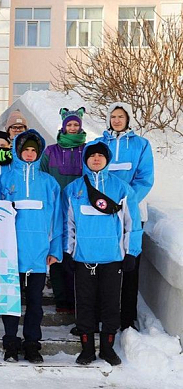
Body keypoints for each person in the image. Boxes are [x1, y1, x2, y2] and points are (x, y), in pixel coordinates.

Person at [63, 140, 142, 366]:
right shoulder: (74, 189)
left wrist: (131, 253)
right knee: (85, 305)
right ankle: (87, 349)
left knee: (110, 305)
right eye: (91, 156)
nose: (96, 159)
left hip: (112, 260)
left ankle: (107, 348)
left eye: (100, 156)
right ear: (85, 160)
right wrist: (68, 252)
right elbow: (68, 224)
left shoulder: (122, 189)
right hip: (84, 259)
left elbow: (132, 223)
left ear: (107, 160)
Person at [0, 129, 62, 364]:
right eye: (26, 150)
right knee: (11, 303)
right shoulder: (5, 178)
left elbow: (57, 218)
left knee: (35, 303)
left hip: (38, 253)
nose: (30, 154)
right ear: (17, 151)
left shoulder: (48, 182)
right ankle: (11, 344)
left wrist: (55, 249)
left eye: (34, 150)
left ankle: (32, 344)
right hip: (11, 252)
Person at [95, 102, 154, 331]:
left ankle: (127, 319)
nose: (117, 120)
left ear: (128, 119)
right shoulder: (99, 144)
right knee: (104, 264)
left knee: (129, 265)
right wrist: (106, 203)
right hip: (104, 214)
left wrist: (125, 202)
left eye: (121, 116)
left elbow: (144, 178)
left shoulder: (141, 145)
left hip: (131, 211)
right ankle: (101, 314)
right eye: (113, 116)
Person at [40, 107, 87, 314]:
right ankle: (62, 301)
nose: (73, 128)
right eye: (70, 124)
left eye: (76, 124)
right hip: (56, 209)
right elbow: (42, 176)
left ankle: (77, 299)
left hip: (79, 210)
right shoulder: (51, 151)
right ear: (63, 126)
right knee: (58, 253)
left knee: (76, 254)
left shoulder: (87, 150)